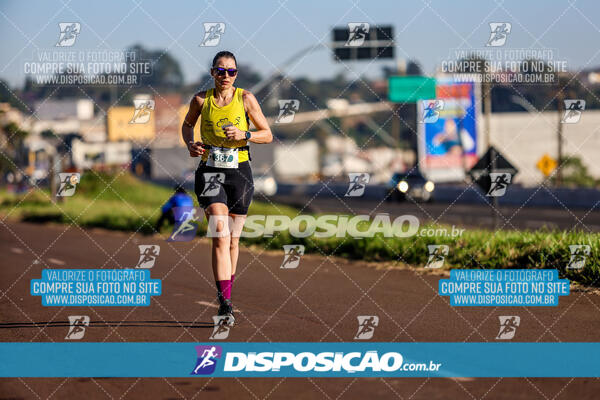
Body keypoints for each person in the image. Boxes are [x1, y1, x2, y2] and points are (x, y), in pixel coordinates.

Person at [182, 51, 273, 325]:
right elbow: (187, 126)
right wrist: (190, 144)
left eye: (231, 71)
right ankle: (225, 305)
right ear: (212, 73)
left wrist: (245, 134)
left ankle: (227, 295)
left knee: (233, 240)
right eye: (220, 71)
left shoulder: (246, 99)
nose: (225, 76)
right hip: (210, 171)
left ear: (237, 74)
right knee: (220, 234)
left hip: (239, 172)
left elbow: (267, 134)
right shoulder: (201, 99)